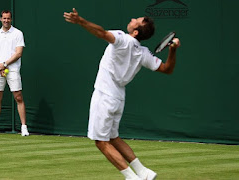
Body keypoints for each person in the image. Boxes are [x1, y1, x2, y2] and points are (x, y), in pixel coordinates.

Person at [64, 8, 180, 180]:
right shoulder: (143, 53)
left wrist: (80, 21)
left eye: (137, 20)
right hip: (118, 98)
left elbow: (102, 33)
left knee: (101, 142)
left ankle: (132, 178)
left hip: (104, 95)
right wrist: (173, 50)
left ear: (135, 31)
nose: (133, 17)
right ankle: (144, 172)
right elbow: (167, 69)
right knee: (113, 138)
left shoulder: (122, 38)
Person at [0, 10, 29, 136]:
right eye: (4, 18)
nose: (6, 21)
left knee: (18, 97)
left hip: (12, 69)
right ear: (0, 19)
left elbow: (19, 53)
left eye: (8, 18)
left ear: (11, 19)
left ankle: (24, 127)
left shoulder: (18, 33)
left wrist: (4, 64)